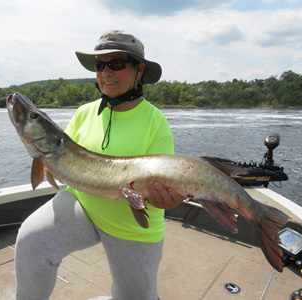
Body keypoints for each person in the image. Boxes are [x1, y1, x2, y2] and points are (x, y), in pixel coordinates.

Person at [15, 30, 184, 300]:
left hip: (131, 224)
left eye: (116, 64)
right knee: (31, 241)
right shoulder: (84, 113)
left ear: (139, 70)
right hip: (82, 203)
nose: (106, 72)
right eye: (100, 65)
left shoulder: (156, 123)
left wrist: (164, 199)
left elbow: (160, 188)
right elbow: (61, 164)